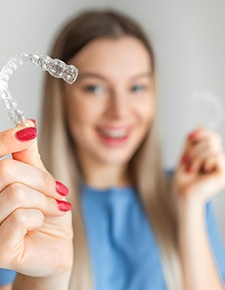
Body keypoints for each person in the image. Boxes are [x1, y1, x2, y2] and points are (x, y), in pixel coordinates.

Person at [0, 9, 225, 290]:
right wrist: (45, 277)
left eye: (137, 87)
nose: (119, 112)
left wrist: (189, 206)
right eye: (95, 88)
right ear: (62, 96)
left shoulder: (187, 200)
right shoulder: (21, 209)